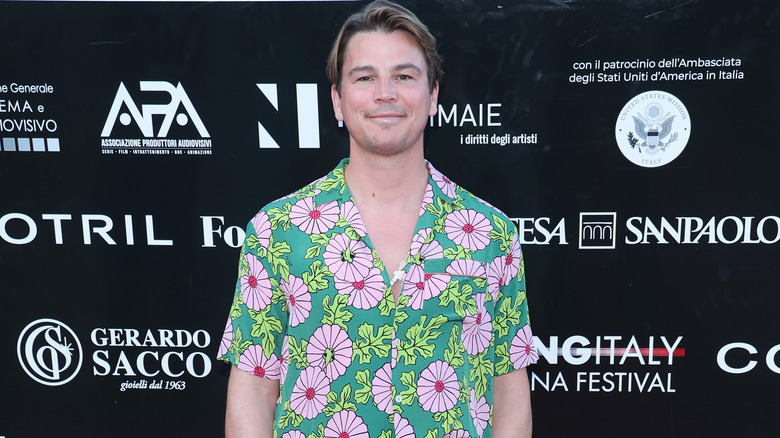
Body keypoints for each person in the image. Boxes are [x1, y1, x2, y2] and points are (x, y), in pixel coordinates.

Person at [218, 1, 537, 437]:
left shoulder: (490, 234)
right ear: (337, 99)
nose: (385, 93)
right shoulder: (277, 230)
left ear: (433, 94)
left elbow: (509, 391)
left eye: (404, 76)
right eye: (364, 77)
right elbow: (253, 389)